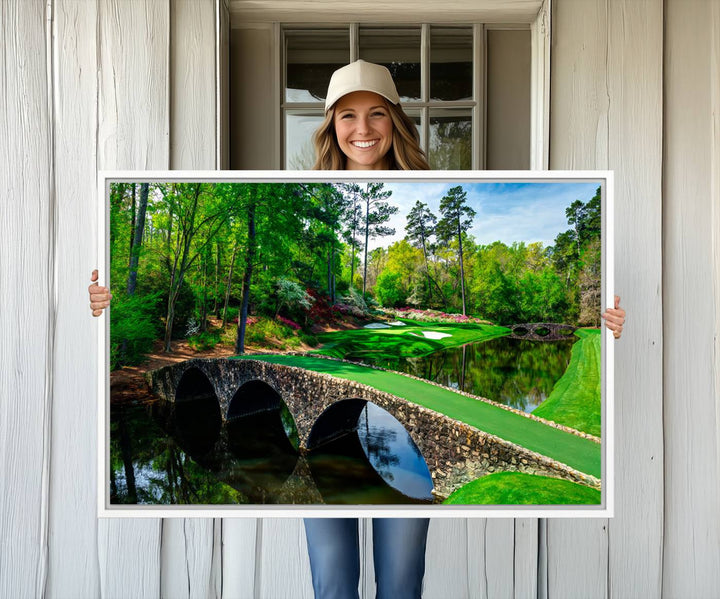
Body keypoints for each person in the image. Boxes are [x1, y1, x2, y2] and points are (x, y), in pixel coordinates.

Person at [88, 60, 626, 599]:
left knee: (400, 580)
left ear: (395, 121)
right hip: (319, 446)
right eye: (348, 115)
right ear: (330, 126)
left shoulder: (437, 187)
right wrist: (105, 303)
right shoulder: (302, 193)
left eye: (376, 115)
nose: (362, 129)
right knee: (333, 579)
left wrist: (604, 325)